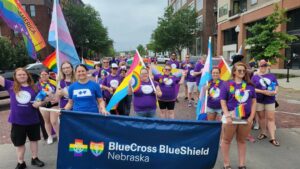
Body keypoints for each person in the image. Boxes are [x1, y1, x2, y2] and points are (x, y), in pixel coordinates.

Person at [0, 68, 45, 169]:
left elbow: (43, 99)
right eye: (19, 75)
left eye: (23, 74)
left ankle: (35, 158)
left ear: (27, 75)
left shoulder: (35, 87)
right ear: (15, 76)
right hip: (17, 121)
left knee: (34, 140)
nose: (22, 76)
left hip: (33, 119)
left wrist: (40, 103)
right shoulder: (10, 85)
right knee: (19, 143)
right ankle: (21, 162)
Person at [220, 62, 257, 169]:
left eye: (244, 70)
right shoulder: (227, 84)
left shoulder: (249, 86)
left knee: (241, 141)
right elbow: (223, 102)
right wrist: (227, 116)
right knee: (226, 140)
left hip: (246, 118)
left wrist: (251, 117)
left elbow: (254, 102)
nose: (242, 72)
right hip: (231, 118)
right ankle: (226, 164)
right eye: (239, 70)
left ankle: (242, 164)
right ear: (234, 72)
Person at [251, 59, 280, 146]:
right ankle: (263, 133)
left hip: (270, 100)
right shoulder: (255, 77)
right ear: (259, 66)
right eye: (261, 66)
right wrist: (263, 92)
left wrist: (275, 91)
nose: (263, 67)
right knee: (261, 118)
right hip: (259, 100)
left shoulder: (272, 76)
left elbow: (276, 86)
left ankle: (272, 138)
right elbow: (252, 88)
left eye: (265, 66)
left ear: (267, 66)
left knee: (271, 118)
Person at [37, 70, 58, 145]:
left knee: (54, 121)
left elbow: (58, 91)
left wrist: (56, 97)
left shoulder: (53, 82)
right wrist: (41, 99)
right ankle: (49, 136)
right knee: (47, 121)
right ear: (40, 76)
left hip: (54, 104)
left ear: (48, 75)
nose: (44, 76)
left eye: (45, 74)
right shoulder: (38, 84)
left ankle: (59, 136)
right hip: (43, 105)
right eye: (42, 75)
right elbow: (37, 96)